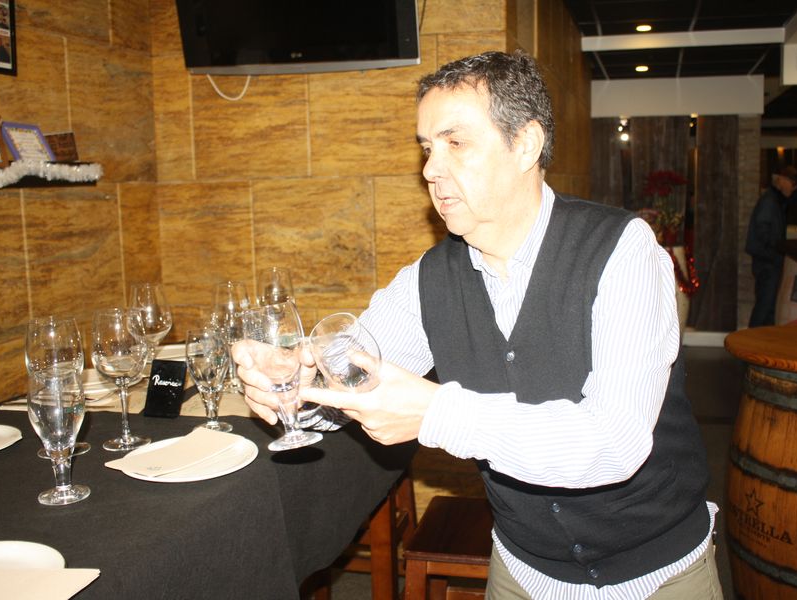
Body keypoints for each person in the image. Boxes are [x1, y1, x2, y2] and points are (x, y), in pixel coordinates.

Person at [233, 50, 721, 599]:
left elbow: (614, 442)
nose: (429, 169)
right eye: (427, 148)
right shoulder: (427, 279)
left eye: (455, 143)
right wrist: (293, 388)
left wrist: (437, 412)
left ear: (526, 144)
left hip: (659, 574)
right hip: (523, 572)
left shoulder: (624, 251)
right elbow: (352, 374)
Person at [745, 166, 797, 328]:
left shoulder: (774, 199)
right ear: (782, 180)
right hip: (767, 259)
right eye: (793, 184)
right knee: (765, 305)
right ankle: (752, 338)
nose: (794, 189)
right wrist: (778, 246)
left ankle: (761, 338)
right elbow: (763, 229)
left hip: (767, 258)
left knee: (768, 305)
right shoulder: (770, 201)